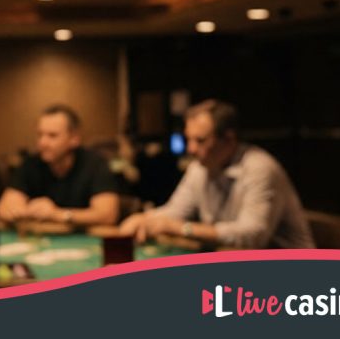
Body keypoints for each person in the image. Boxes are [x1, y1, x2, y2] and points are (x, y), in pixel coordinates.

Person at [120, 99, 314, 249]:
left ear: (229, 139)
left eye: (200, 140)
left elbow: (252, 236)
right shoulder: (200, 167)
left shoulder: (260, 168)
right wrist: (145, 219)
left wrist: (182, 228)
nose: (191, 149)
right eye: (189, 139)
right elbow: (175, 212)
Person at [0, 105, 119, 227]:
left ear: (74, 139)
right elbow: (3, 209)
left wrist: (56, 214)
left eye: (52, 135)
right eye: (40, 135)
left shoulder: (95, 164)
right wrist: (22, 212)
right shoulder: (31, 164)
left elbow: (108, 215)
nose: (42, 143)